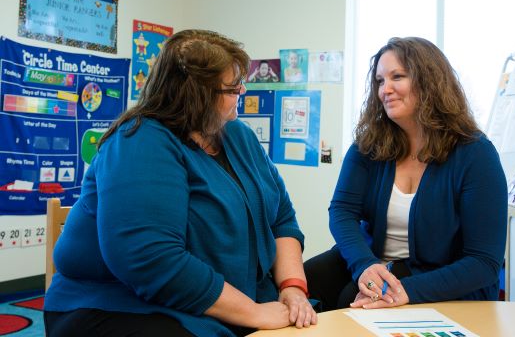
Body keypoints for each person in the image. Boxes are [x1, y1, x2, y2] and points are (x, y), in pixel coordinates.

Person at [44, 29, 317, 336]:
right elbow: (151, 260)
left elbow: (281, 219)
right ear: (195, 93)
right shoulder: (140, 141)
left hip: (226, 302)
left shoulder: (239, 136)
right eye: (231, 88)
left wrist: (293, 287)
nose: (241, 91)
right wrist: (254, 313)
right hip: (118, 306)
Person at [304, 36, 507, 311]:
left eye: (397, 77)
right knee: (305, 281)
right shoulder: (367, 146)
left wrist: (405, 291)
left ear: (429, 81)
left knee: (350, 301)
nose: (385, 89)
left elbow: (483, 262)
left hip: (441, 277)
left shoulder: (475, 154)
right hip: (375, 260)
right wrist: (365, 264)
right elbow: (342, 211)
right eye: (379, 81)